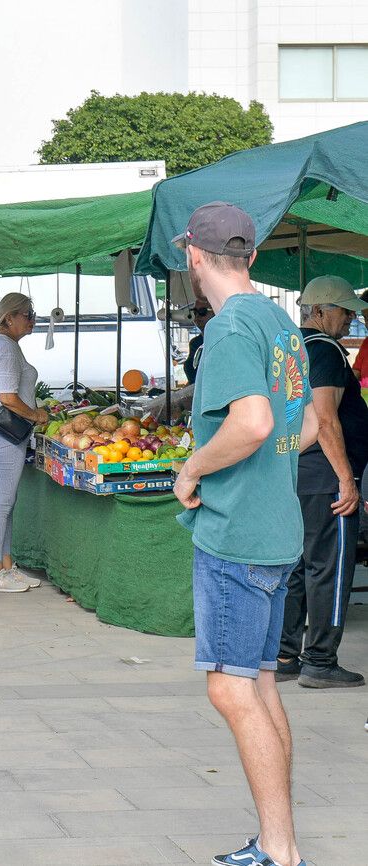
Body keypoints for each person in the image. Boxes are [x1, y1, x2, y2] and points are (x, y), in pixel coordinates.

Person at [171, 202, 316, 866]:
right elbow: (304, 426)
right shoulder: (280, 323)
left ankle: (279, 851)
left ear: (194, 256)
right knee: (257, 684)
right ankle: (276, 841)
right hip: (278, 528)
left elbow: (256, 423)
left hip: (235, 534)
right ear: (251, 256)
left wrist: (195, 466)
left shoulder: (230, 328)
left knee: (231, 688)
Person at [278, 276, 368, 689]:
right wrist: (347, 481)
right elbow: (325, 419)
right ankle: (320, 661)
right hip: (325, 477)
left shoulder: (291, 349)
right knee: (329, 569)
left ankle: (284, 654)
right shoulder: (326, 352)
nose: (351, 318)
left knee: (297, 567)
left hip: (296, 474)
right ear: (318, 311)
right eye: (343, 310)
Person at [0, 292, 49, 593]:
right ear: (9, 317)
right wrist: (36, 414)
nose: (33, 320)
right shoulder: (4, 349)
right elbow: (7, 397)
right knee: (1, 504)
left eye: (33, 314)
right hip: (7, 435)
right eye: (28, 314)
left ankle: (5, 565)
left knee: (6, 503)